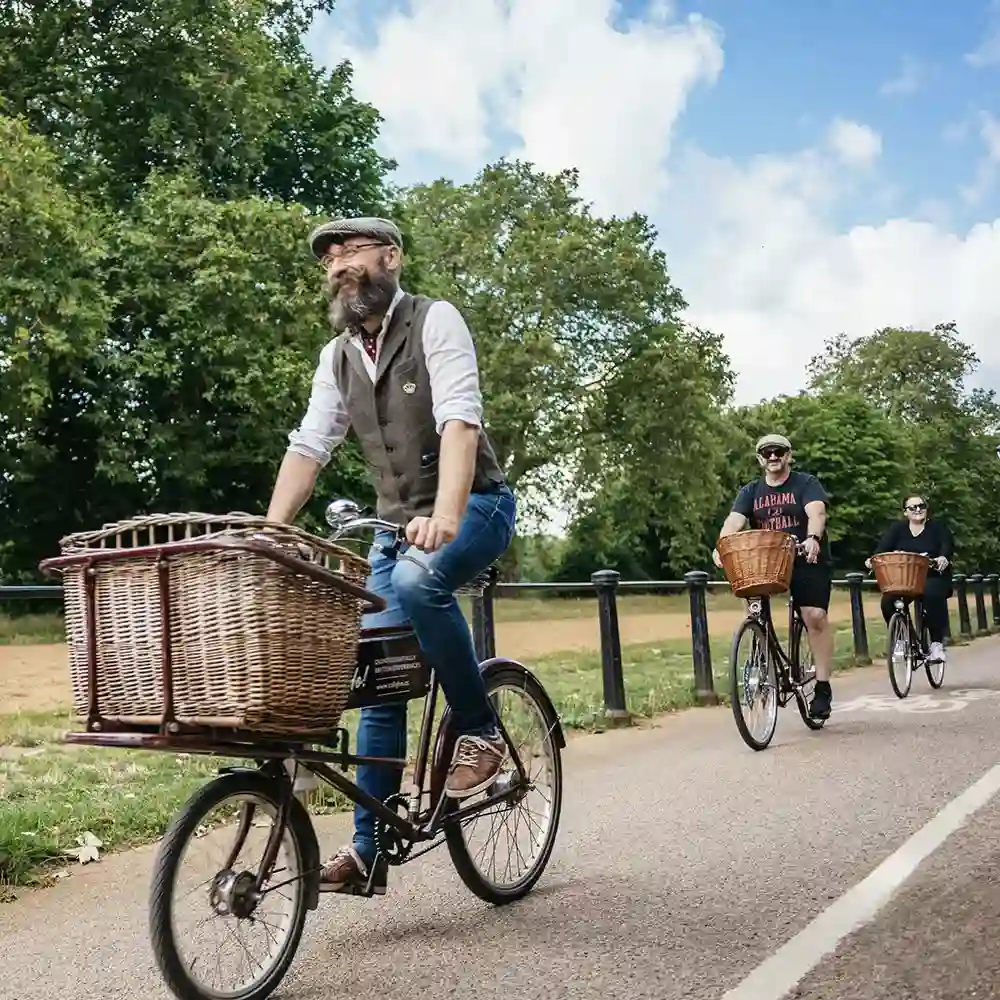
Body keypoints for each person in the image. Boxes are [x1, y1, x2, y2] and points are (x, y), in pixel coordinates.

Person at [266, 216, 516, 895]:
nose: (339, 264)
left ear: (392, 258)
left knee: (416, 581)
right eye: (330, 258)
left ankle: (481, 731)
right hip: (394, 526)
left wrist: (447, 514)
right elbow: (310, 445)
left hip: (477, 505)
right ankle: (368, 850)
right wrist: (270, 531)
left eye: (353, 251)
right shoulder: (337, 357)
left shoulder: (435, 321)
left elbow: (460, 421)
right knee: (380, 673)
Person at [712, 433, 835, 720]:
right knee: (754, 608)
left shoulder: (806, 483)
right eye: (766, 453)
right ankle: (761, 661)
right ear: (760, 459)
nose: (773, 457)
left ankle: (823, 687)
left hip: (805, 556)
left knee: (814, 615)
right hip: (767, 559)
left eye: (778, 452)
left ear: (788, 455)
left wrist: (813, 539)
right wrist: (722, 545)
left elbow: (816, 513)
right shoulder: (751, 491)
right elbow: (734, 521)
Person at [865, 495, 953, 664]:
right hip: (905, 579)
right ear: (905, 512)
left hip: (932, 576)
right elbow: (882, 549)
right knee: (888, 601)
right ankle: (902, 640)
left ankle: (936, 644)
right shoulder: (897, 529)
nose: (917, 510)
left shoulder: (937, 527)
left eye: (921, 506)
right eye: (912, 507)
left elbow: (946, 545)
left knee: (932, 595)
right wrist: (872, 560)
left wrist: (943, 557)